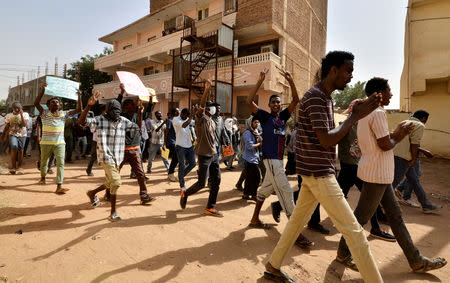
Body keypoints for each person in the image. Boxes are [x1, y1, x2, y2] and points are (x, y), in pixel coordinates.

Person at [264, 51, 385, 283]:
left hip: (313, 173)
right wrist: (355, 117)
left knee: (296, 224)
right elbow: (327, 140)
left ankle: (273, 265)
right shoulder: (317, 97)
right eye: (348, 71)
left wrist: (354, 114)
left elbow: (326, 135)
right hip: (319, 174)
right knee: (356, 235)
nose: (351, 76)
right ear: (334, 70)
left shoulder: (324, 97)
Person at [336, 77, 447, 275]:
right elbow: (385, 144)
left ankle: (416, 260)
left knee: (395, 217)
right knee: (361, 218)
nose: (392, 94)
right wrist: (400, 133)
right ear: (378, 93)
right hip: (377, 174)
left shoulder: (366, 113)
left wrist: (395, 134)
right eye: (389, 90)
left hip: (379, 174)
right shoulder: (376, 112)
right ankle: (344, 252)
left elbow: (381, 141)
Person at [337, 99, 395, 241]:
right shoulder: (345, 126)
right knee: (334, 197)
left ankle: (375, 227)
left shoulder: (363, 125)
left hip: (357, 168)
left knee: (368, 200)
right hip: (348, 168)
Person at [80, 91, 143, 221]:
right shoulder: (99, 120)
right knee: (116, 182)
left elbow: (137, 128)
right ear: (108, 110)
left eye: (119, 109)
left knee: (111, 182)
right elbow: (82, 122)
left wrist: (140, 113)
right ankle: (113, 212)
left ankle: (92, 193)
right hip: (105, 156)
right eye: (114, 109)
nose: (117, 112)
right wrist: (88, 106)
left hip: (118, 158)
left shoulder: (123, 121)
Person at [179, 80, 224, 217]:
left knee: (216, 181)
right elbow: (201, 107)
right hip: (204, 155)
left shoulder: (212, 121)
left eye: (212, 106)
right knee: (201, 183)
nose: (212, 108)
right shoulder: (201, 119)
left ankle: (210, 207)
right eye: (209, 107)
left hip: (214, 154)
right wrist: (206, 91)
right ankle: (185, 194)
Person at [34, 83, 81, 194]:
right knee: (44, 163)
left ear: (60, 106)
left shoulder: (64, 114)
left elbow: (79, 109)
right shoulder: (44, 113)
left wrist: (79, 95)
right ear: (48, 106)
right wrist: (42, 90)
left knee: (60, 163)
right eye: (52, 102)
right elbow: (36, 103)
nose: (55, 103)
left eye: (57, 102)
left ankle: (59, 186)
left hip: (60, 144)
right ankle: (43, 177)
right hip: (45, 143)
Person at [392, 110, 442, 213]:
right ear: (424, 118)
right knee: (392, 183)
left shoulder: (404, 122)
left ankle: (426, 205)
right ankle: (378, 204)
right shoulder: (419, 125)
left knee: (414, 180)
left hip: (397, 155)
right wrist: (414, 159)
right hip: (403, 158)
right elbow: (414, 144)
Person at [116, 91, 155, 205]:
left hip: (135, 149)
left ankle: (144, 195)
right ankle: (108, 193)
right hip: (122, 150)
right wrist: (121, 93)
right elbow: (116, 106)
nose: (134, 106)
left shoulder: (138, 115)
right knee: (115, 174)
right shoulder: (121, 117)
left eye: (134, 105)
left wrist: (151, 99)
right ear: (125, 108)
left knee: (140, 174)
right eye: (132, 105)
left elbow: (148, 112)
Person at [1, 102, 30, 174]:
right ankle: (13, 167)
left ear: (21, 108)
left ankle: (19, 166)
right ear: (12, 108)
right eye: (15, 108)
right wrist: (3, 134)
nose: (16, 109)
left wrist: (21, 115)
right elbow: (7, 126)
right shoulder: (9, 115)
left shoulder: (25, 114)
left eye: (18, 108)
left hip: (23, 135)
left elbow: (24, 124)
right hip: (12, 134)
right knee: (14, 146)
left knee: (21, 150)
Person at [173, 108, 196, 191]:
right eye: (185, 115)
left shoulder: (187, 119)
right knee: (181, 165)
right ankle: (182, 185)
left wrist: (198, 113)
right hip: (180, 145)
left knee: (193, 163)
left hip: (189, 145)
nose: (186, 117)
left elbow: (194, 122)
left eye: (187, 116)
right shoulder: (176, 119)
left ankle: (180, 176)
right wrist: (191, 116)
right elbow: (184, 125)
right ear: (181, 114)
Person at [241, 116, 262, 200]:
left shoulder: (255, 132)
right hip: (249, 159)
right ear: (250, 123)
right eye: (255, 122)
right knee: (257, 177)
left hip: (255, 157)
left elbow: (260, 140)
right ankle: (254, 195)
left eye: (258, 122)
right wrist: (260, 144)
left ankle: (246, 194)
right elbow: (250, 146)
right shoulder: (247, 133)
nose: (257, 124)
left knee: (249, 177)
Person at [166, 108, 180, 182]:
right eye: (178, 111)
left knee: (176, 158)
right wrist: (164, 143)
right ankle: (171, 173)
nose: (179, 112)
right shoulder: (170, 121)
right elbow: (166, 132)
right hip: (171, 142)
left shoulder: (176, 121)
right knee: (176, 157)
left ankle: (171, 173)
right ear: (175, 113)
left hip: (176, 141)